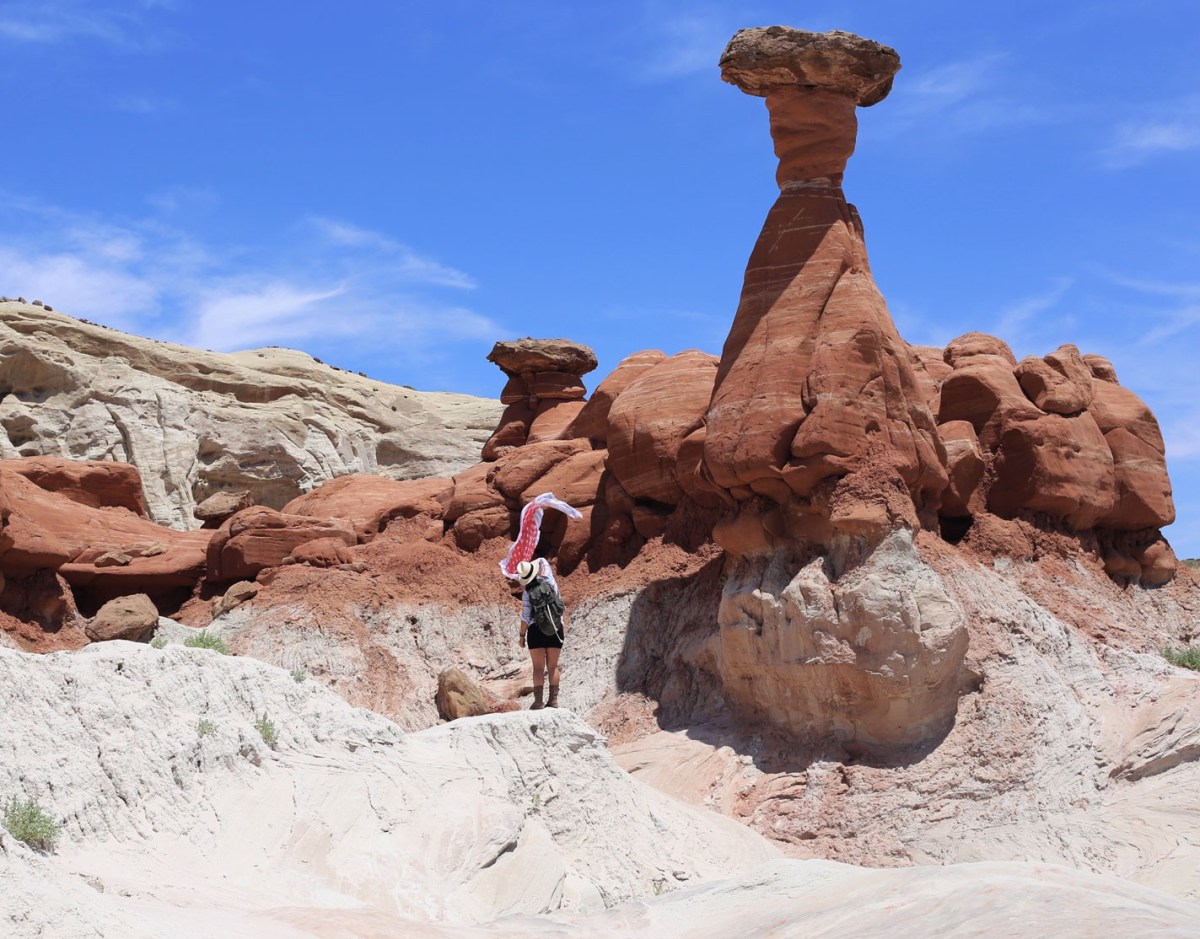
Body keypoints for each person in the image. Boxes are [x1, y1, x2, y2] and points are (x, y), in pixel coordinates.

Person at [516, 558, 566, 709]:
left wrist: (522, 635)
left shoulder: (527, 593)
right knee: (553, 666)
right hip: (556, 627)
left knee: (538, 667)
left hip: (536, 631)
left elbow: (525, 617)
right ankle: (554, 700)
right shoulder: (550, 581)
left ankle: (538, 702)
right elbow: (543, 561)